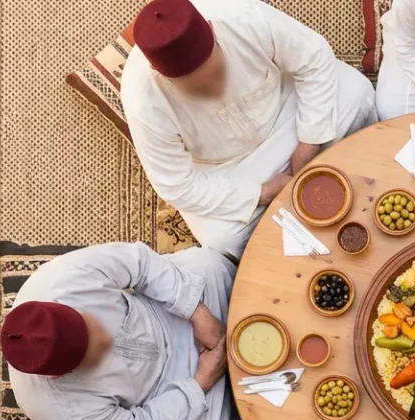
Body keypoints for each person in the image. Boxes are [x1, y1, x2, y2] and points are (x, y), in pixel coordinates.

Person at [122, 0, 378, 259]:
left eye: (214, 71)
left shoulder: (239, 14)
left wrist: (309, 142)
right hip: (228, 168)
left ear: (212, 29)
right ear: (159, 73)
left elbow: (314, 57)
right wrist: (260, 193)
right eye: (195, 87)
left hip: (286, 114)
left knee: (358, 94)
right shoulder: (142, 98)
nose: (213, 88)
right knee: (222, 241)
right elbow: (176, 185)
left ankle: (370, 175)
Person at [1, 243, 243, 420]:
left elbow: (141, 264)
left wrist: (197, 313)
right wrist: (201, 383)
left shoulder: (64, 278)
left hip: (167, 313)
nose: (107, 338)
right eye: (94, 353)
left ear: (65, 305)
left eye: (91, 324)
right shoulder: (61, 411)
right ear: (58, 376)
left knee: (208, 264)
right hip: (164, 393)